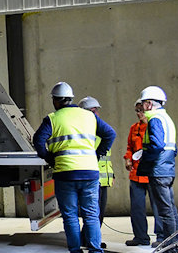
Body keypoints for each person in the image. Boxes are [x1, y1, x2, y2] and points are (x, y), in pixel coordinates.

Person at [33, 82, 117, 253]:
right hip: (90, 173)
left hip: (65, 174)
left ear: (55, 101)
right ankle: (95, 250)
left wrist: (50, 157)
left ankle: (75, 250)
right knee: (91, 215)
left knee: (70, 216)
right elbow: (110, 133)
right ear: (71, 98)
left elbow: (38, 141)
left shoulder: (53, 118)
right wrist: (96, 153)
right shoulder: (89, 116)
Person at [135, 86, 178, 252]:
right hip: (167, 169)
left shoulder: (155, 119)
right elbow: (173, 148)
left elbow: (157, 145)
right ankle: (173, 243)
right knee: (171, 209)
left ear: (148, 104)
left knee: (165, 211)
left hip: (158, 171)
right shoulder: (167, 118)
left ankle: (169, 247)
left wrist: (145, 162)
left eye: (143, 104)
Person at [79, 96, 112, 250]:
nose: (96, 114)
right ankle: (90, 240)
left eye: (96, 110)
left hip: (102, 179)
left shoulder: (100, 129)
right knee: (93, 214)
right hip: (92, 178)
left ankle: (87, 238)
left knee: (98, 214)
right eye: (92, 111)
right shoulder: (85, 131)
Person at [124, 101, 159, 246]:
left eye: (141, 111)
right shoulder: (134, 128)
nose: (139, 114)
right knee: (137, 207)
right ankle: (140, 237)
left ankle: (162, 237)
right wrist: (127, 158)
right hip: (136, 174)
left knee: (158, 207)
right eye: (137, 111)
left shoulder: (154, 126)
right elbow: (129, 147)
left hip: (151, 173)